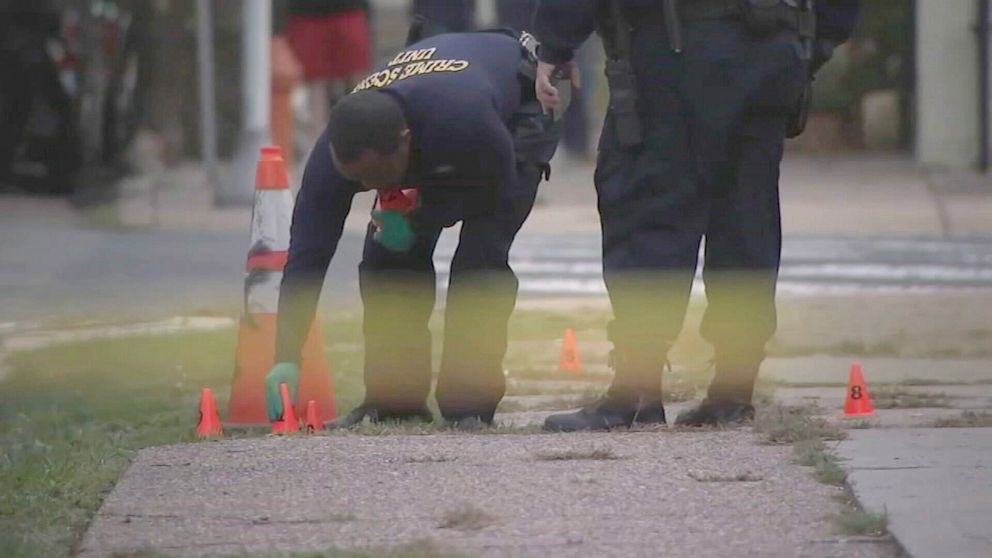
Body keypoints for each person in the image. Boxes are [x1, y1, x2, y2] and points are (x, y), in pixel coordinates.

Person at [533, 0, 860, 431]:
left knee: (646, 210)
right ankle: (733, 390)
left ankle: (636, 392)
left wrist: (554, 46)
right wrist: (809, 45)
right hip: (773, 51)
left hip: (676, 54)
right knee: (746, 219)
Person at [263, 29, 560, 428]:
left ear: (405, 142)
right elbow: (306, 257)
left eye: (376, 176)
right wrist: (286, 356)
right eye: (358, 181)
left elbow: (497, 191)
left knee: (479, 259)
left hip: (516, 114)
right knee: (386, 257)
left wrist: (425, 212)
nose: (370, 188)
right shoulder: (332, 159)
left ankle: (469, 405)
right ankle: (394, 401)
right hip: (437, 107)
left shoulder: (465, 121)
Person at [283, 0, 372, 150]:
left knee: (359, 81)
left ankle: (366, 138)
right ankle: (317, 147)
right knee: (315, 85)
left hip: (348, 10)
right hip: (306, 13)